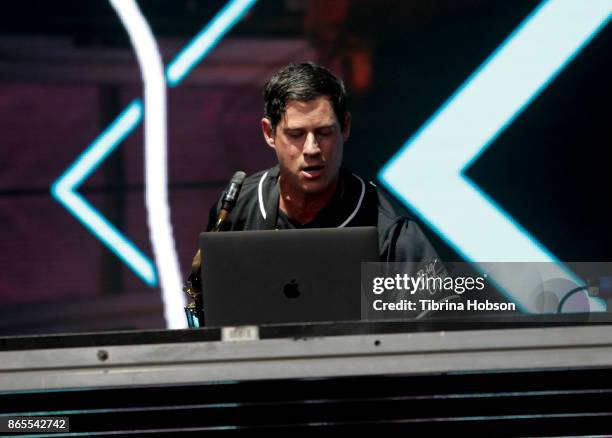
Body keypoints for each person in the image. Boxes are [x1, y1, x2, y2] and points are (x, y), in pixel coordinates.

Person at [206, 62, 439, 265]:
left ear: (345, 127)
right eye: (296, 134)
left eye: (324, 132)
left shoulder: (389, 229)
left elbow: (435, 313)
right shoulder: (233, 213)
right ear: (269, 132)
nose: (312, 149)